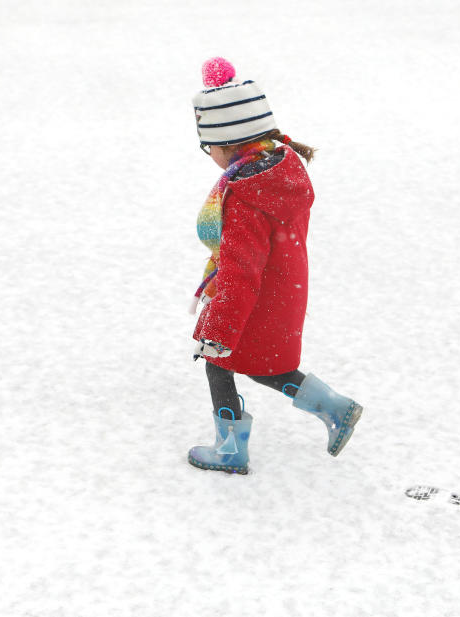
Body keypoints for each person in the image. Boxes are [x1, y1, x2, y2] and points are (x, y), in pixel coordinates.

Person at [186, 57, 363, 475]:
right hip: (283, 287)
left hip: (254, 296)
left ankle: (232, 449)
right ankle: (333, 408)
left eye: (207, 145)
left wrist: (219, 329)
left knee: (222, 359)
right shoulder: (282, 164)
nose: (208, 154)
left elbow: (240, 270)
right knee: (265, 365)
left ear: (227, 142)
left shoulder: (244, 194)